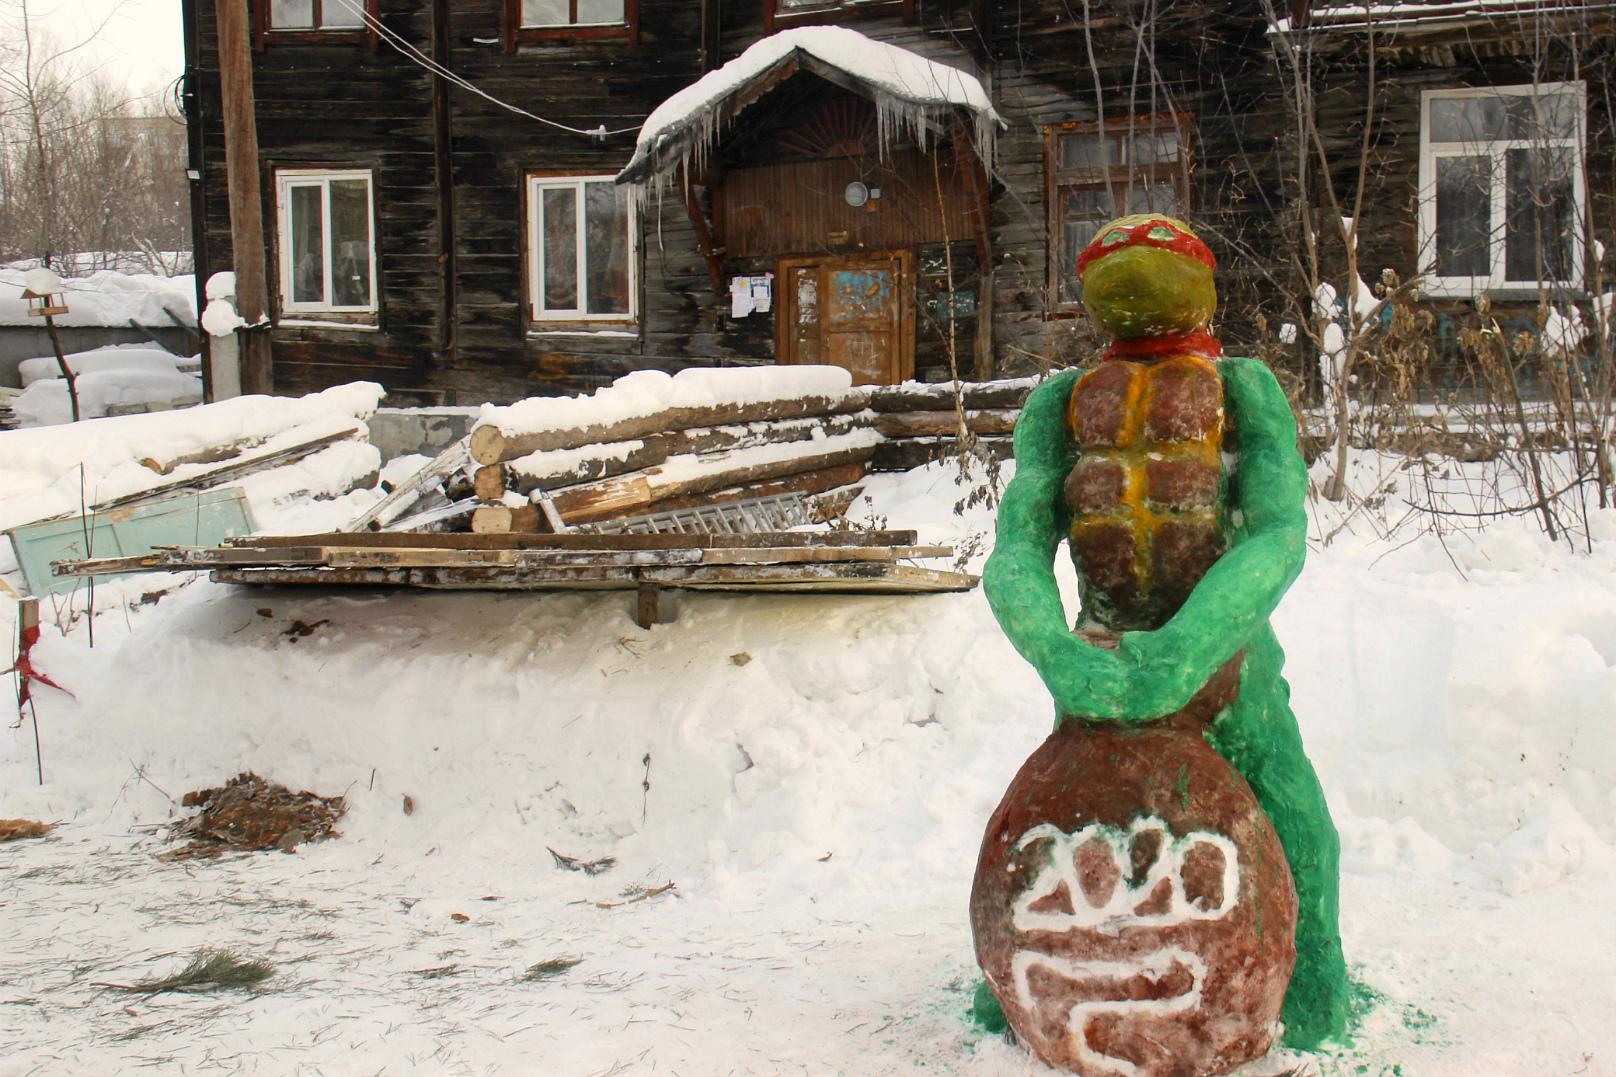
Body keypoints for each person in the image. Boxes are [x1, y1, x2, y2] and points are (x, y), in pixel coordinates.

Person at [982, 214, 1349, 1048]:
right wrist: (1056, 649)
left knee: (1301, 828)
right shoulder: (1060, 403)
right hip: (1100, 658)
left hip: (1228, 659)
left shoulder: (1244, 387)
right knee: (1067, 822)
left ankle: (1316, 977)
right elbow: (1016, 550)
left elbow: (1276, 533)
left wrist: (1186, 649)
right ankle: (1006, 976)